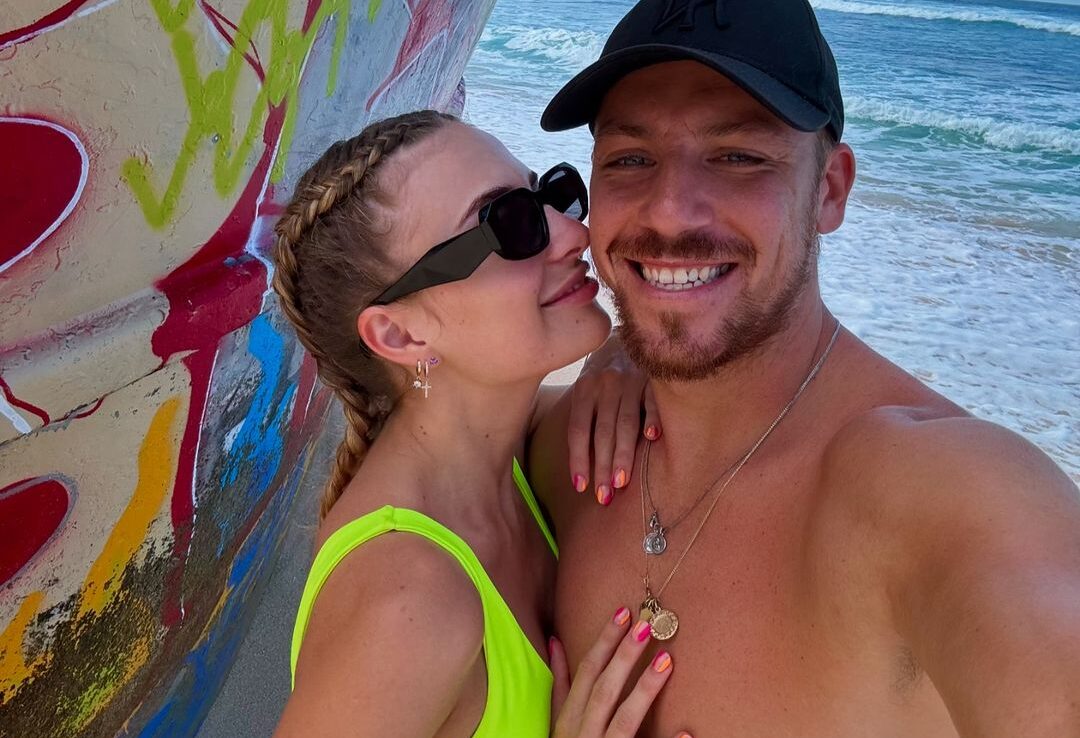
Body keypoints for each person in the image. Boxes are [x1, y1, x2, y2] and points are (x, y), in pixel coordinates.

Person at [527, 1, 1080, 736]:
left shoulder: (936, 489)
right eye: (631, 159)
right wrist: (618, 348)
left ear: (830, 190)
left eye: (739, 156)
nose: (669, 213)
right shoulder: (555, 452)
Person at [269, 111, 691, 737]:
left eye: (552, 195)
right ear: (400, 334)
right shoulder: (410, 600)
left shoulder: (512, 450)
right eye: (509, 223)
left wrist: (623, 354)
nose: (575, 232)